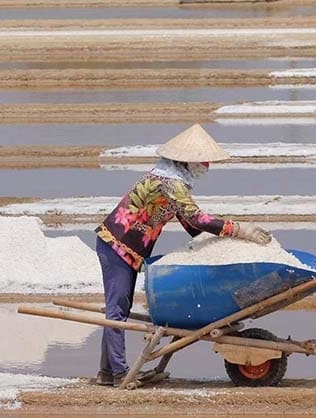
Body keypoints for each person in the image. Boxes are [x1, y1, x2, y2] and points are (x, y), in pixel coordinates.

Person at [94, 124, 272, 386]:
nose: (206, 167)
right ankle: (119, 373)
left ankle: (107, 373)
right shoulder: (170, 183)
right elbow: (197, 218)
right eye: (202, 161)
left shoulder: (171, 182)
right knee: (117, 311)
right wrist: (237, 229)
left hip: (130, 250)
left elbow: (190, 225)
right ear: (186, 161)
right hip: (116, 246)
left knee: (119, 309)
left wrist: (214, 244)